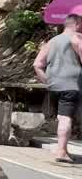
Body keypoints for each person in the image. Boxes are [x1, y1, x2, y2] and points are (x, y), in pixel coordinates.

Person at [34, 12, 82, 163]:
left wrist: (48, 81)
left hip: (54, 86)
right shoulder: (77, 37)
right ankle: (61, 151)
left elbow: (37, 64)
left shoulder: (52, 41)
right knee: (66, 118)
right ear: (78, 24)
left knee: (62, 117)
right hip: (72, 84)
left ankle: (64, 149)